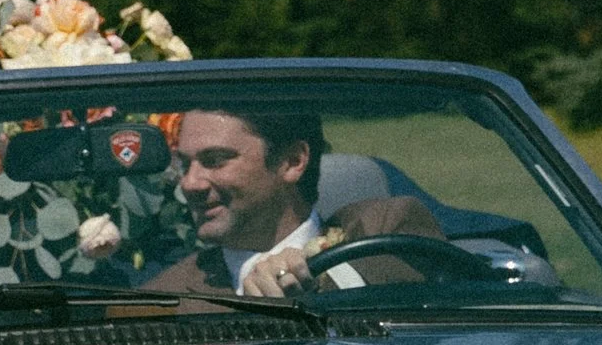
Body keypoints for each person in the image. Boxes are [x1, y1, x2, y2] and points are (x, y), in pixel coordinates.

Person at [144, 104, 435, 298]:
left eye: (216, 161)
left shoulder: (385, 226)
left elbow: (437, 298)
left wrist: (317, 274)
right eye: (185, 164)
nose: (189, 183)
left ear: (292, 161)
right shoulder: (165, 297)